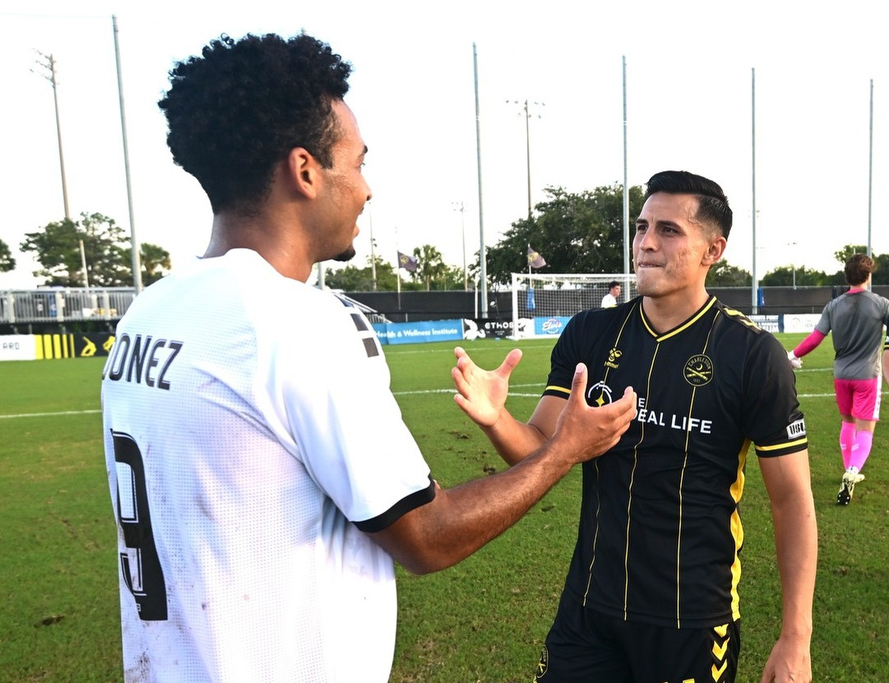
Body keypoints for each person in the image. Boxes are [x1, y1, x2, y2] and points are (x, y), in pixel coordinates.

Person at [100, 32, 637, 683]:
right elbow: (427, 535)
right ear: (305, 171)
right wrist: (565, 448)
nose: (367, 189)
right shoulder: (296, 322)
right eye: (356, 163)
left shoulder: (151, 310)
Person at [452, 170, 817, 683]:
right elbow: (538, 449)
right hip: (588, 610)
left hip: (690, 620)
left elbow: (792, 500)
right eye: (642, 226)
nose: (645, 243)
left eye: (668, 230)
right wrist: (497, 421)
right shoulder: (591, 333)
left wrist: (796, 636)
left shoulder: (752, 355)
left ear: (713, 250)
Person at [787, 253, 889, 504]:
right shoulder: (881, 304)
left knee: (847, 422)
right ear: (868, 275)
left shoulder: (833, 306)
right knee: (865, 428)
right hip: (867, 376)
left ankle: (849, 467)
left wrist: (792, 355)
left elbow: (815, 339)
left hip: (842, 375)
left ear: (847, 276)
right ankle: (852, 471)